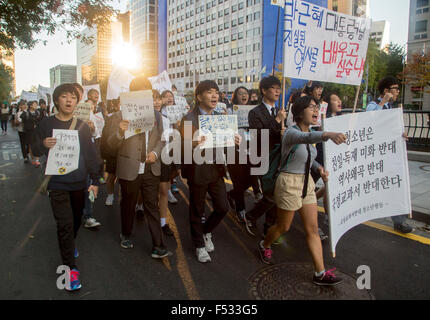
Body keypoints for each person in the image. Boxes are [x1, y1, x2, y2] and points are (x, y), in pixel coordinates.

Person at [259, 95, 346, 286]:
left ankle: (320, 273)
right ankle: (264, 244)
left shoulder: (310, 131)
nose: (316, 111)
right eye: (311, 107)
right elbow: (304, 138)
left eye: (317, 107)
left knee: (312, 229)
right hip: (288, 182)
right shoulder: (291, 132)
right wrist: (327, 134)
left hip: (307, 183)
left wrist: (318, 168)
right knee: (284, 227)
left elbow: (308, 155)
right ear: (299, 113)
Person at [32, 83, 101, 291]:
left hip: (79, 183)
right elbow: (34, 148)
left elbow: (90, 155)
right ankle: (69, 270)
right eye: (64, 97)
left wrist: (95, 181)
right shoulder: (46, 124)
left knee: (76, 219)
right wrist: (43, 144)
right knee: (64, 224)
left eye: (73, 97)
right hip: (57, 183)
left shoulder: (82, 126)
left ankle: (70, 244)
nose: (69, 100)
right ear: (57, 100)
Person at [105, 76, 172, 259]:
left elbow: (160, 139)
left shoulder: (156, 115)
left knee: (152, 205)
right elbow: (110, 145)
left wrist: (156, 154)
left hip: (151, 168)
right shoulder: (119, 116)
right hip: (129, 167)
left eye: (147, 93)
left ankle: (158, 245)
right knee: (128, 203)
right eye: (139, 92)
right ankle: (126, 234)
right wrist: (120, 131)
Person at [180, 80, 241, 263]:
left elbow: (224, 144)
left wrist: (234, 140)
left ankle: (206, 231)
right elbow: (181, 147)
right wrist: (194, 142)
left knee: (223, 207)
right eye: (209, 92)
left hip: (215, 168)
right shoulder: (189, 119)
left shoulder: (219, 117)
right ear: (199, 97)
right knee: (197, 210)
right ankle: (199, 244)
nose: (215, 96)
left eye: (216, 92)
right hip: (197, 170)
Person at [366, 76, 413, 234]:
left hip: (390, 154)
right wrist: (381, 103)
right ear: (386, 91)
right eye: (395, 88)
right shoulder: (374, 105)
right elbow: (369, 121)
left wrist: (401, 134)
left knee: (395, 186)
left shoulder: (392, 108)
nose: (398, 91)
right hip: (377, 156)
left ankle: (399, 221)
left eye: (398, 89)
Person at [243, 76, 287, 238]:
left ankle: (268, 228)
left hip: (280, 157)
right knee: (270, 195)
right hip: (263, 157)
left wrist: (284, 132)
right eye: (274, 88)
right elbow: (259, 136)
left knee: (278, 194)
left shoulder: (280, 111)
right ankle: (251, 216)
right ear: (264, 90)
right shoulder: (255, 113)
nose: (277, 91)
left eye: (279, 88)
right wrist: (276, 121)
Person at [227, 87, 262, 222]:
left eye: (246, 93)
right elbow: (227, 131)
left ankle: (231, 194)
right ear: (235, 96)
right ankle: (240, 210)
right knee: (238, 180)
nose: (244, 96)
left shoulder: (253, 111)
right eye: (241, 93)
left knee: (251, 177)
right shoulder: (230, 110)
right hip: (234, 150)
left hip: (250, 148)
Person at [20, 101, 41, 167]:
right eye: (34, 104)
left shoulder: (38, 112)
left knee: (37, 145)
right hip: (29, 132)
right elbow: (23, 121)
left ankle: (37, 160)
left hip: (37, 132)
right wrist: (25, 111)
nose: (36, 105)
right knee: (31, 146)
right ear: (30, 106)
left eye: (36, 104)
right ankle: (33, 159)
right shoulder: (26, 113)